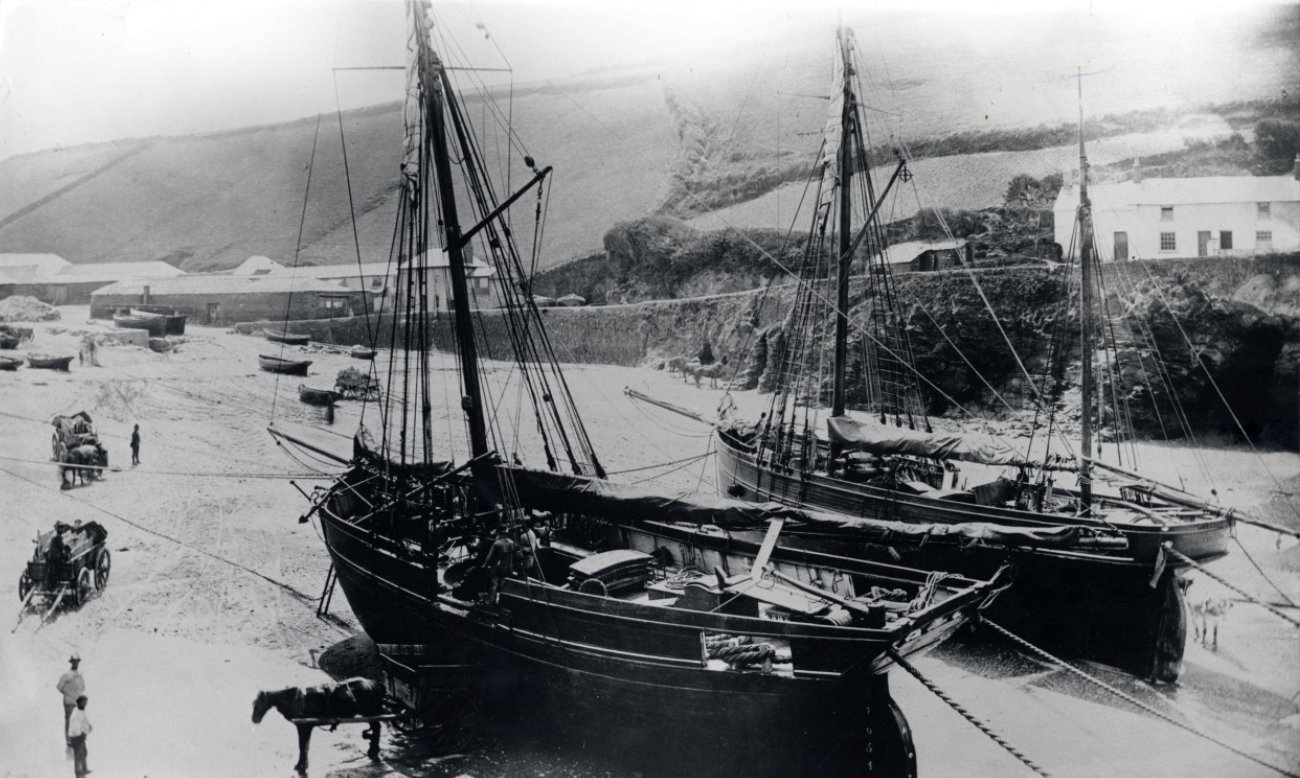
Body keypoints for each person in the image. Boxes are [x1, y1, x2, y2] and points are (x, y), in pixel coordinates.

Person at [56, 654, 84, 745]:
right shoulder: (67, 675)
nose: (76, 663)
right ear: (71, 662)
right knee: (69, 720)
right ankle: (68, 740)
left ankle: (74, 738)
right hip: (69, 702)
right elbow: (59, 686)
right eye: (74, 661)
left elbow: (83, 687)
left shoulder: (80, 676)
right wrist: (67, 692)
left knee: (76, 720)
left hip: (77, 702)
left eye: (77, 661)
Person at [482, 531, 515, 605]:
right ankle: (502, 602)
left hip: (498, 568)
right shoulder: (512, 542)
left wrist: (485, 565)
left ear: (499, 534)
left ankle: (491, 602)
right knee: (503, 585)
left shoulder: (497, 544)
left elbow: (489, 557)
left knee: (494, 584)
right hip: (509, 567)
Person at [67, 694, 92, 776]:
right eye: (84, 703)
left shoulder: (81, 711)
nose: (85, 704)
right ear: (79, 703)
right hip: (76, 737)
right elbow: (75, 727)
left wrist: (89, 726)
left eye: (86, 703)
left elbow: (85, 720)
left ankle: (84, 768)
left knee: (84, 752)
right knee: (78, 754)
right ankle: (78, 771)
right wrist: (81, 734)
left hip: (80, 736)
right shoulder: (75, 713)